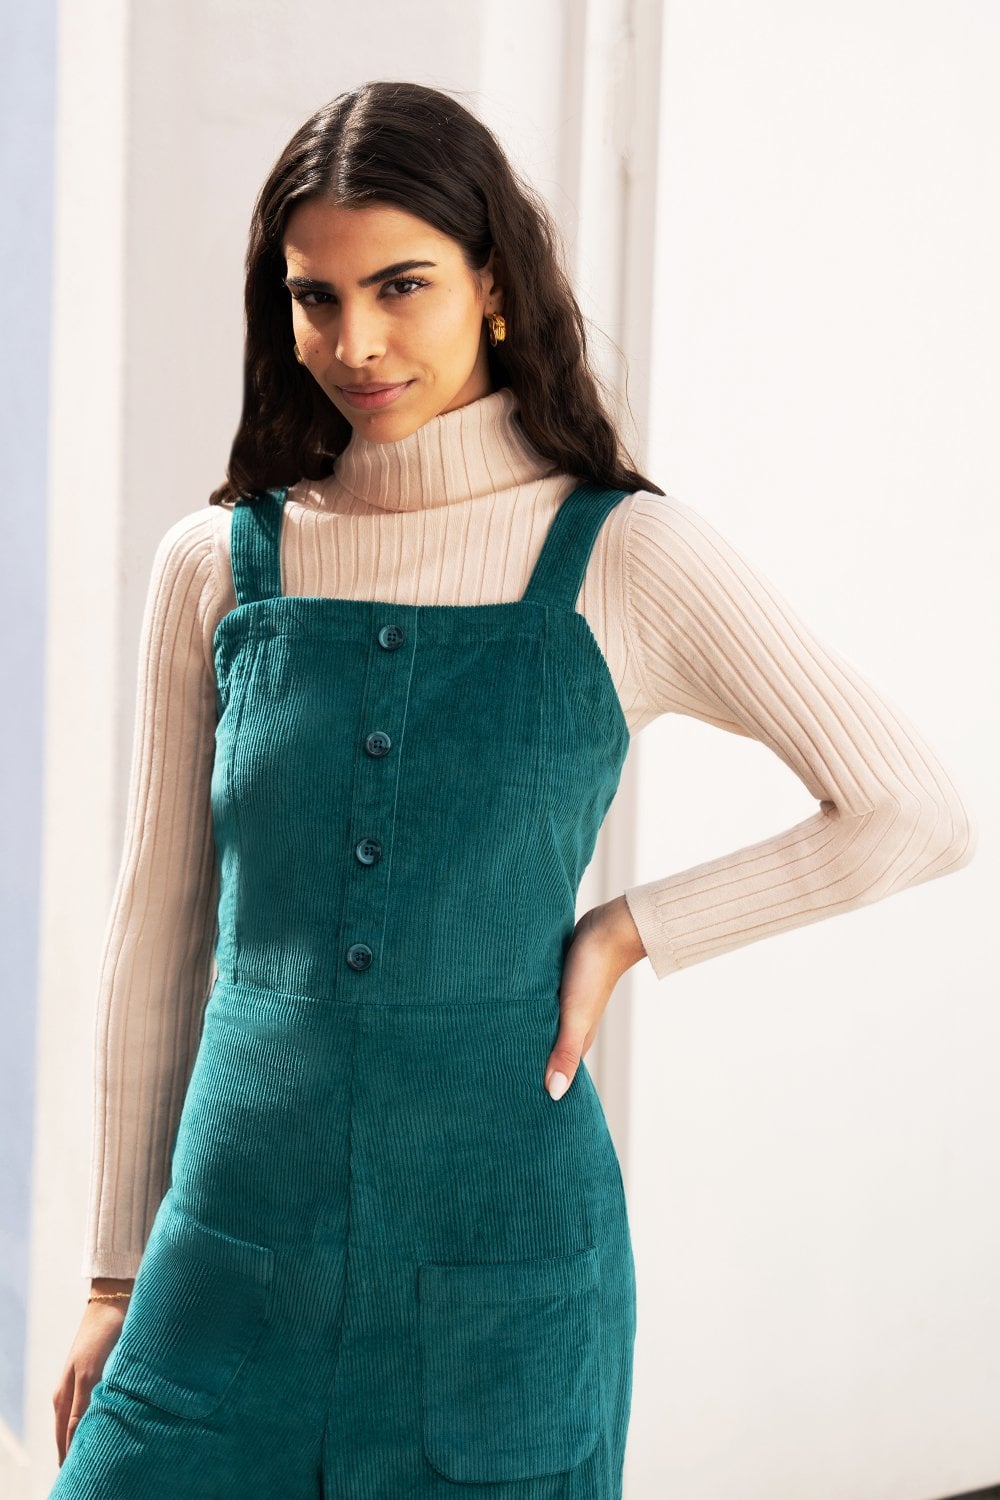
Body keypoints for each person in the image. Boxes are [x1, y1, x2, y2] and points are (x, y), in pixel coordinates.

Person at [49, 79, 976, 1499]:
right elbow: (157, 927)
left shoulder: (624, 556)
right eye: (315, 298)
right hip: (226, 1268)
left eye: (401, 286)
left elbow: (911, 806)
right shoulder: (216, 565)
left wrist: (629, 931)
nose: (354, 343)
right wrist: (116, 1274)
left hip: (502, 1279)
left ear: (494, 285)